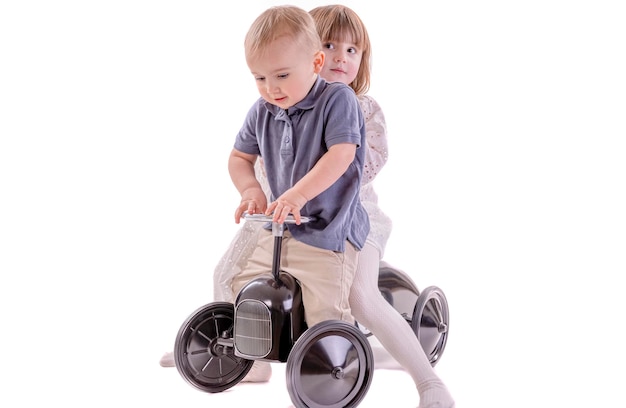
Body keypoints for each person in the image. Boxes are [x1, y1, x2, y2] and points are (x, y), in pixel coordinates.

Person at [162, 5, 454, 408]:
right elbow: (250, 160)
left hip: (348, 216)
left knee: (360, 297)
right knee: (230, 269)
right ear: (312, 51)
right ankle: (246, 351)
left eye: (352, 51)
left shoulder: (352, 106)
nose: (339, 57)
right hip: (284, 218)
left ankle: (428, 381)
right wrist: (252, 189)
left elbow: (352, 163)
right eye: (331, 44)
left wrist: (297, 188)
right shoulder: (272, 103)